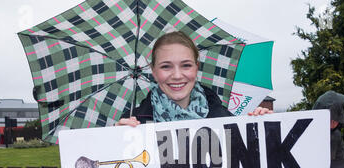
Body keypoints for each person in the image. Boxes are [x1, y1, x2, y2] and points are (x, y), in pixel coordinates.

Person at [116, 31, 272, 127]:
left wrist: (264, 129)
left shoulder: (224, 119)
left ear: (196, 67)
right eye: (166, 66)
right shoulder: (133, 124)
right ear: (154, 71)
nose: (177, 75)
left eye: (186, 65)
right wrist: (115, 144)